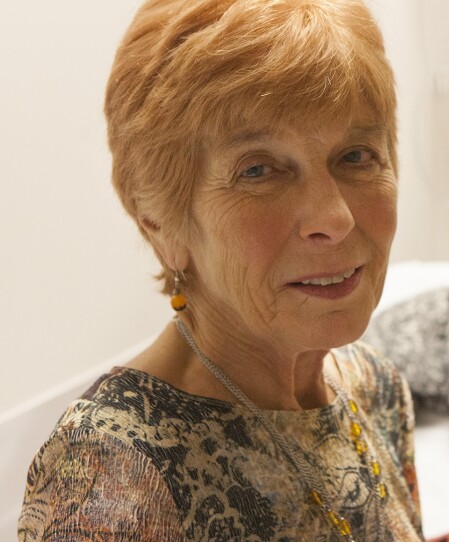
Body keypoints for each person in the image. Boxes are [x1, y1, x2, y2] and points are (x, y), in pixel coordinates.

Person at [18, 0, 423, 539]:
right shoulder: (115, 469)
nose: (336, 217)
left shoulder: (375, 389)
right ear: (161, 224)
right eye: (259, 170)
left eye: (356, 156)